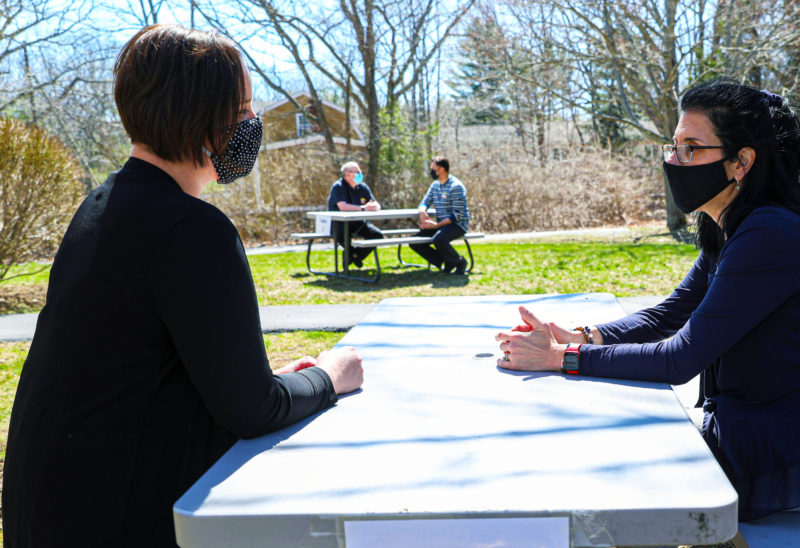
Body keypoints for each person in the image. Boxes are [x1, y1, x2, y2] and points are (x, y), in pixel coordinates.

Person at [3, 24, 363, 547]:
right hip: (117, 523)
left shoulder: (104, 206)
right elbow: (252, 409)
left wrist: (252, 378)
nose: (253, 123)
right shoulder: (192, 229)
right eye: (242, 110)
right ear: (200, 115)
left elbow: (140, 372)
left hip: (51, 511)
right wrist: (330, 377)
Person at [494, 78, 800, 522]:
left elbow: (680, 358)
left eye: (692, 147)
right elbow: (672, 312)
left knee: (594, 478)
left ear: (741, 162)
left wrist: (565, 357)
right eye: (673, 146)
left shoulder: (770, 232)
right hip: (741, 428)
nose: (676, 161)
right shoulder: (729, 222)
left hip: (771, 448)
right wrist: (584, 335)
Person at [410, 156, 470, 274]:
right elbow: (425, 202)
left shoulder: (456, 186)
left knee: (439, 239)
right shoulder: (435, 185)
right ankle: (447, 261)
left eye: (433, 169)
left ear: (441, 170)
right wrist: (422, 211)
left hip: (457, 225)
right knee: (415, 242)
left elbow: (457, 215)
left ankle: (460, 262)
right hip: (442, 224)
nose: (431, 171)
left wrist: (436, 226)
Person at [327, 161, 383, 268]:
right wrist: (363, 208)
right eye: (357, 172)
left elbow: (375, 203)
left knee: (377, 235)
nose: (360, 174)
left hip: (359, 222)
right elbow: (343, 207)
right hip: (340, 224)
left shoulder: (363, 187)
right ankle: (351, 254)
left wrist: (374, 207)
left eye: (360, 171)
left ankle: (355, 256)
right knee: (343, 237)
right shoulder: (338, 187)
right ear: (347, 174)